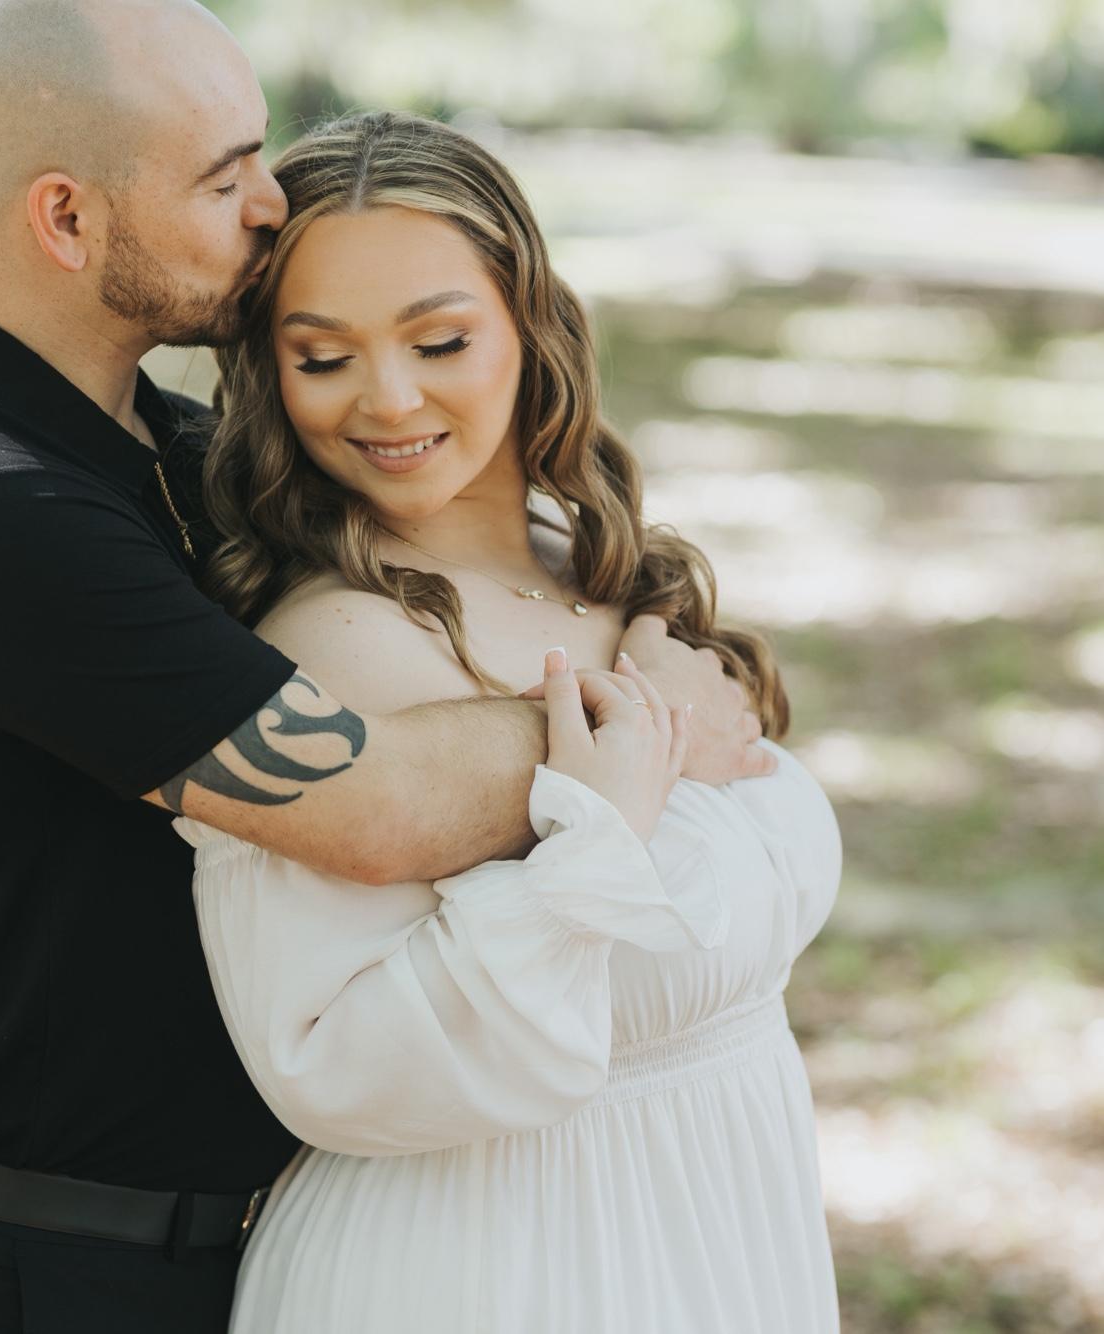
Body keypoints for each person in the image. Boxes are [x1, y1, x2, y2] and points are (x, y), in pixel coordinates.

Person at [0, 2, 771, 1331]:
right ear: (66, 218)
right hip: (15, 1274)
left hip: (202, 1252)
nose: (271, 203)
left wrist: (642, 614)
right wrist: (640, 715)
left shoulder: (173, 452)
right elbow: (377, 804)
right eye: (223, 177)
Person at [177, 111, 843, 1333]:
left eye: (438, 340)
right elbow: (328, 1064)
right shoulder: (337, 646)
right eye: (320, 357)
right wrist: (586, 844)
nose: (387, 400)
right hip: (491, 1265)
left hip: (714, 1230)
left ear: (529, 325)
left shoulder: (596, 572)